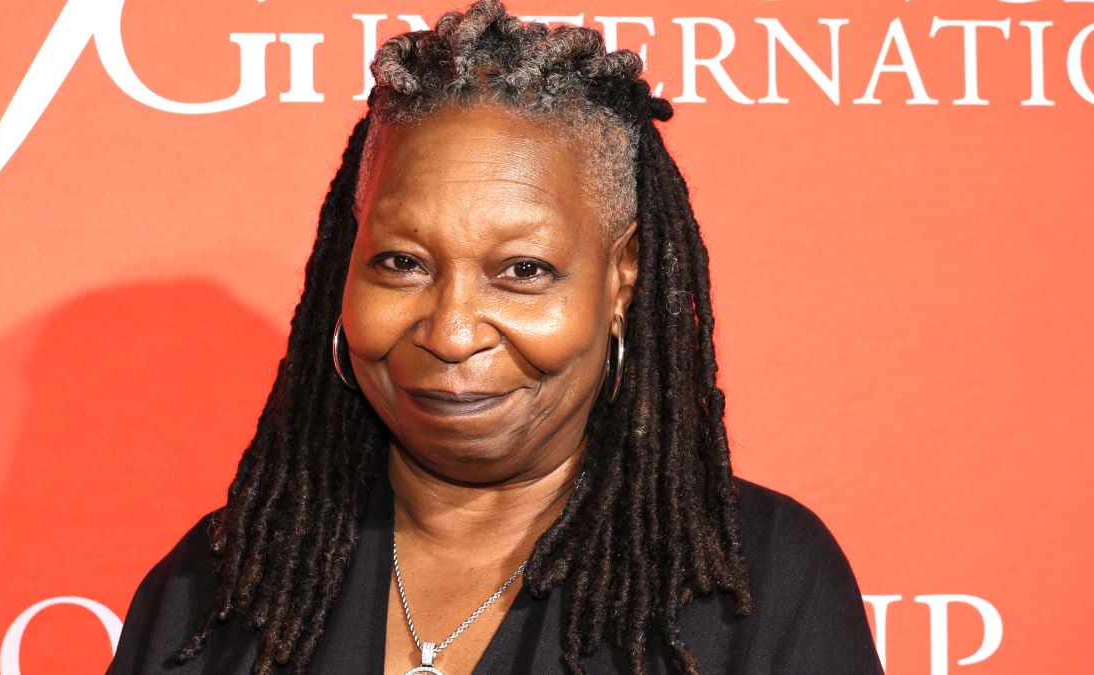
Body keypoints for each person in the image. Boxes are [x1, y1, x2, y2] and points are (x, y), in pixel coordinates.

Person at [107, 1, 884, 673]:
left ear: (622, 280)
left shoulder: (759, 583)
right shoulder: (216, 587)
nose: (449, 331)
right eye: (402, 262)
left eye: (522, 270)